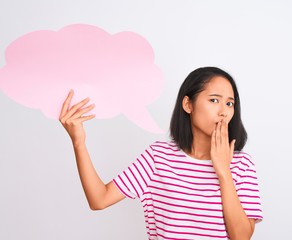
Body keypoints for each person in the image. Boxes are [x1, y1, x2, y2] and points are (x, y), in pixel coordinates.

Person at [59, 66, 263, 240]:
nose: (224, 111)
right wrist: (79, 143)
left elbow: (242, 237)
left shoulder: (242, 165)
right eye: (214, 100)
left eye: (230, 103)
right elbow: (99, 199)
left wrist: (224, 173)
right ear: (188, 104)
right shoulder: (158, 157)